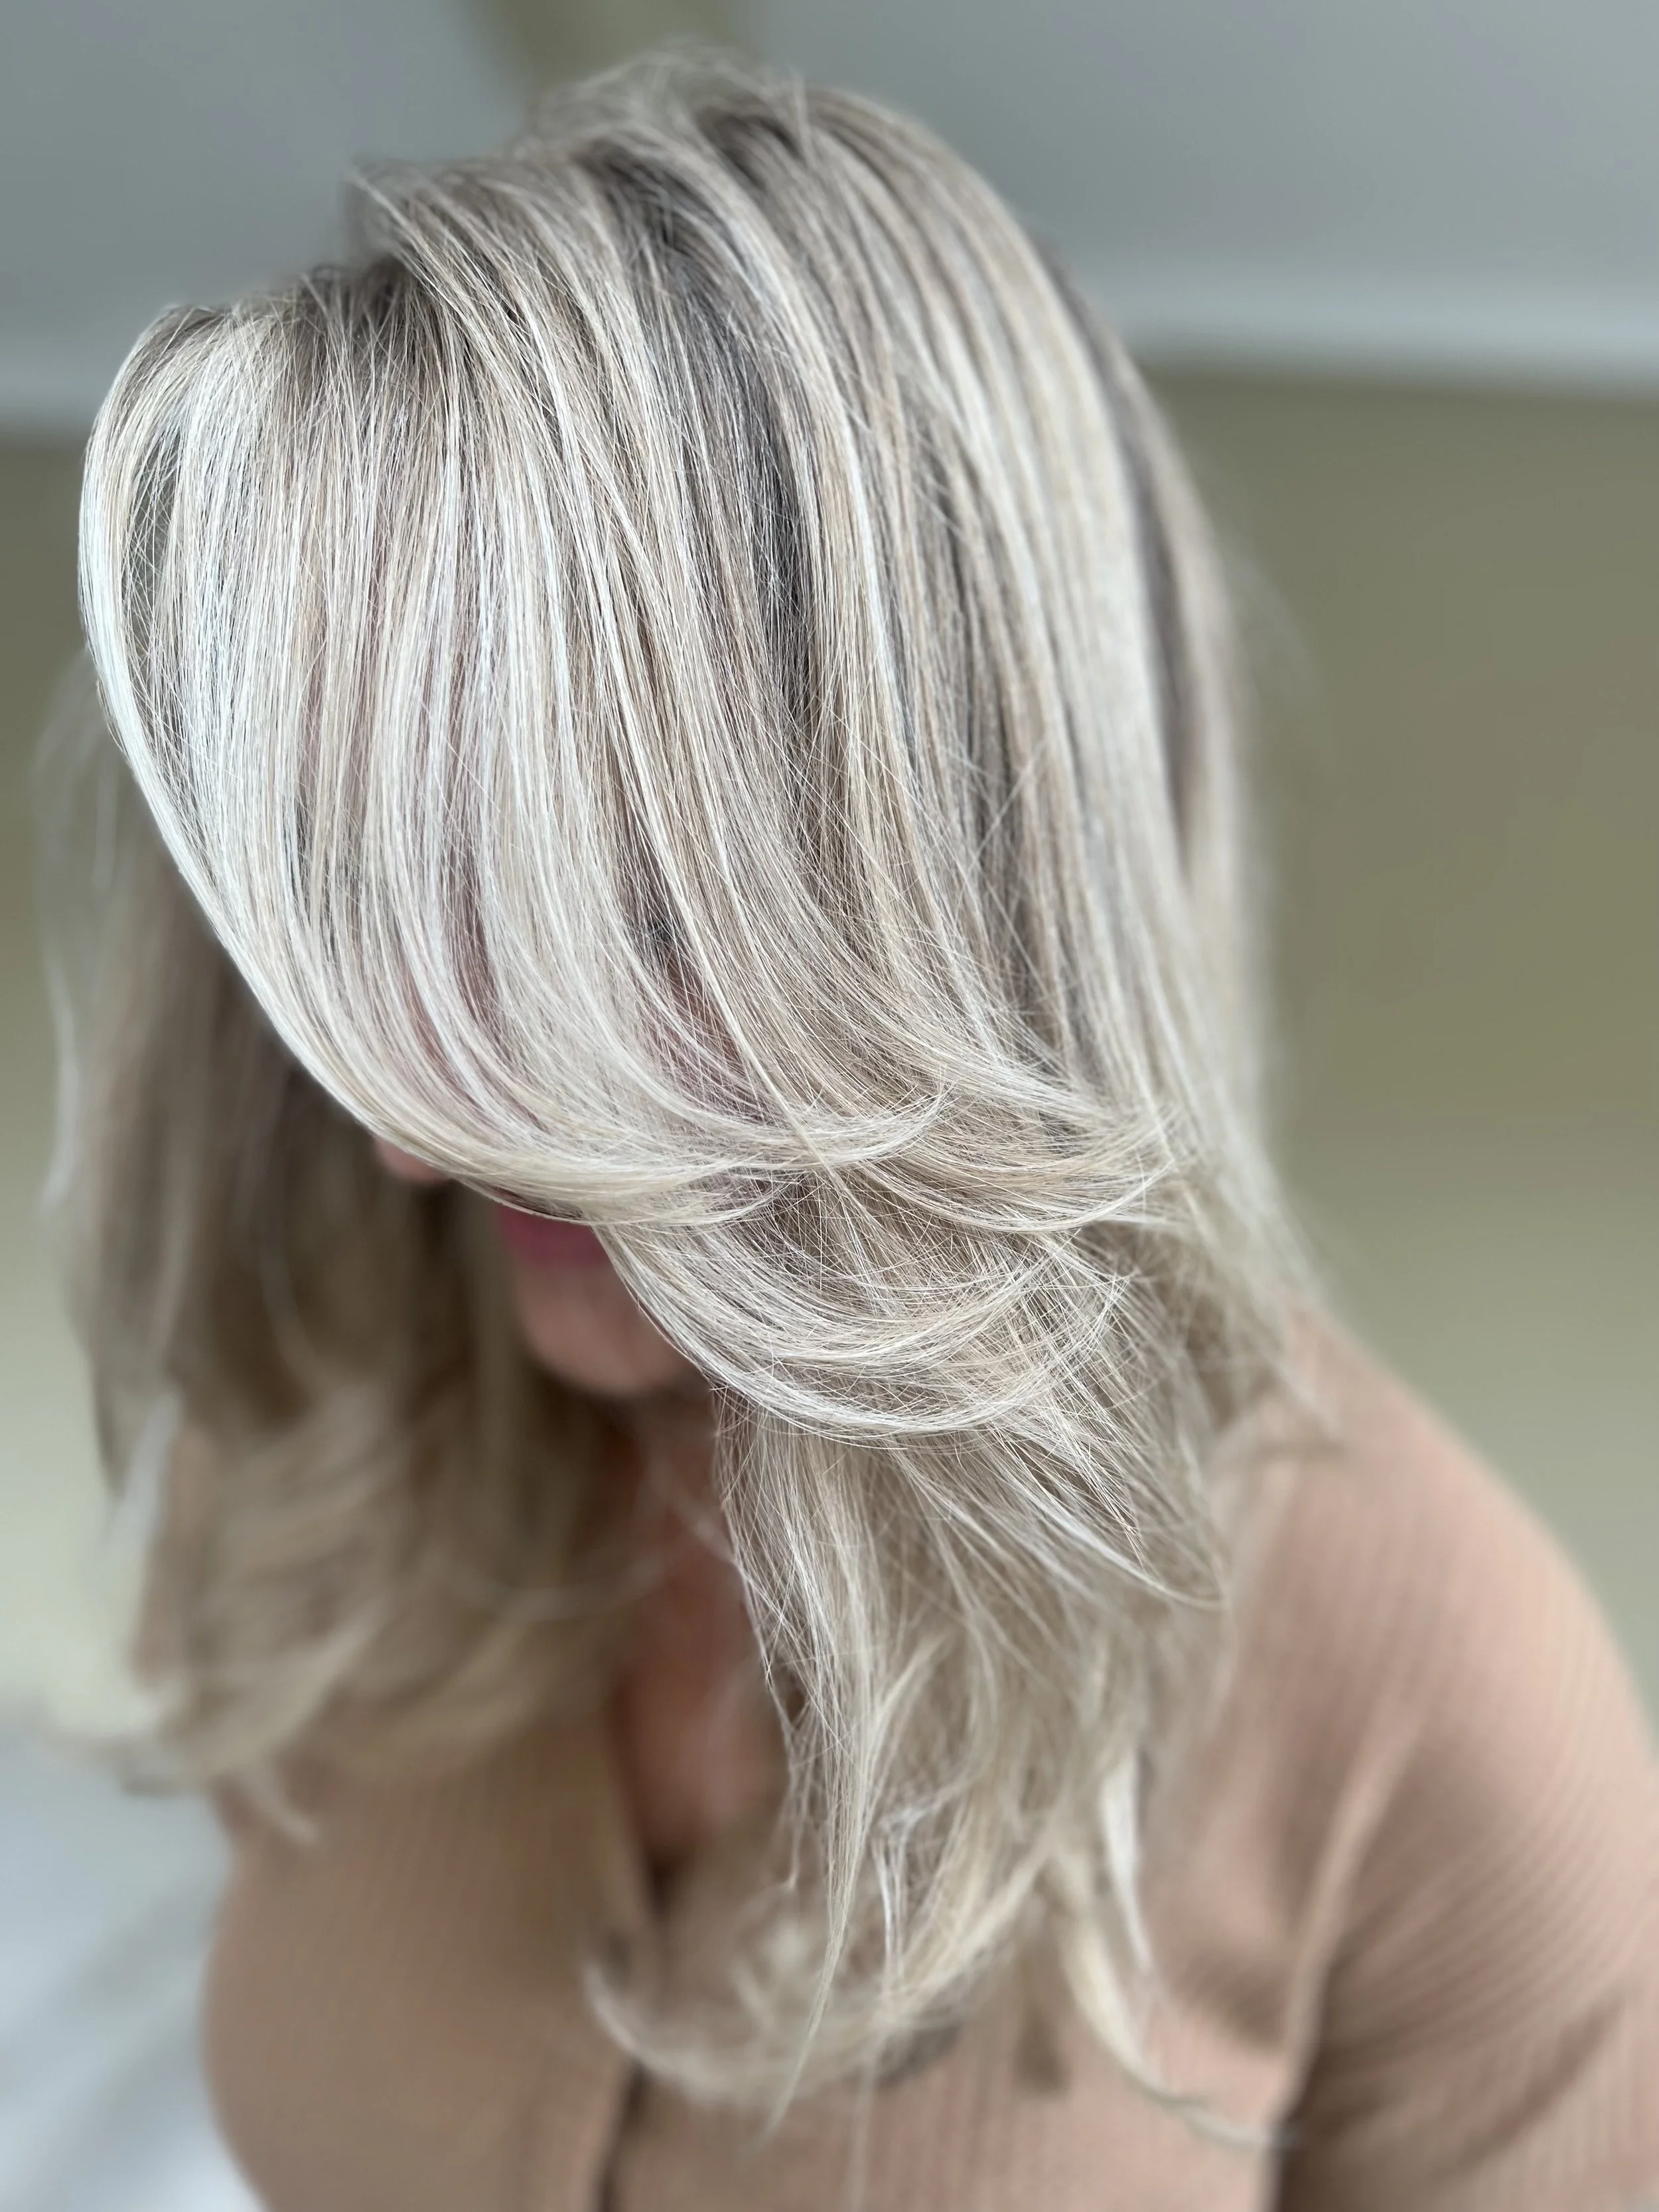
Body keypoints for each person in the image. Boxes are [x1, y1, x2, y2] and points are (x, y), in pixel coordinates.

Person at [42, 50, 1658, 2212]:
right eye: (393, 898)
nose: (419, 1130)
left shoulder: (1437, 1693)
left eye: (631, 922)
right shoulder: (320, 1424)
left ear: (985, 900)